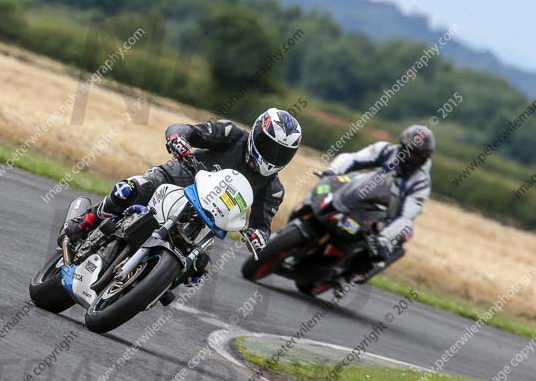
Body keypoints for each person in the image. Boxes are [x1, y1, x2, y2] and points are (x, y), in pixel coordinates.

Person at [60, 108, 303, 283]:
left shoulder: (273, 189)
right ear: (256, 134)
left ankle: (154, 282)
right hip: (174, 179)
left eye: (283, 154)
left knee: (199, 269)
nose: (274, 156)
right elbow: (187, 130)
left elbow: (262, 224)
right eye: (270, 146)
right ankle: (87, 221)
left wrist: (259, 236)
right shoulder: (231, 134)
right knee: (132, 188)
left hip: (204, 221)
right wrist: (178, 140)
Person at [325, 124, 434, 279]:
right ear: (402, 147)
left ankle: (350, 274)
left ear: (425, 158)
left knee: (403, 232)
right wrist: (333, 171)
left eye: (418, 156)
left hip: (387, 218)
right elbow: (353, 158)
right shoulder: (386, 150)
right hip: (365, 198)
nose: (412, 158)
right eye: (409, 152)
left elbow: (407, 216)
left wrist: (384, 238)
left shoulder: (421, 183)